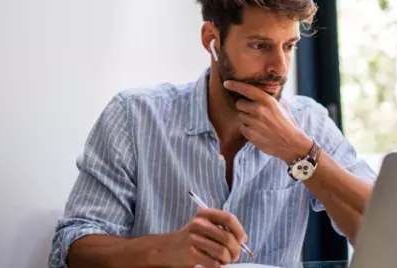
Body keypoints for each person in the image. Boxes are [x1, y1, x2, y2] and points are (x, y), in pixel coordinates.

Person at [48, 1, 376, 267]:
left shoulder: (309, 124)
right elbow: (72, 247)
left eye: (288, 46)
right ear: (212, 39)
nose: (280, 66)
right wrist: (167, 250)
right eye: (260, 45)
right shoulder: (134, 117)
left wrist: (300, 153)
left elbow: (380, 229)